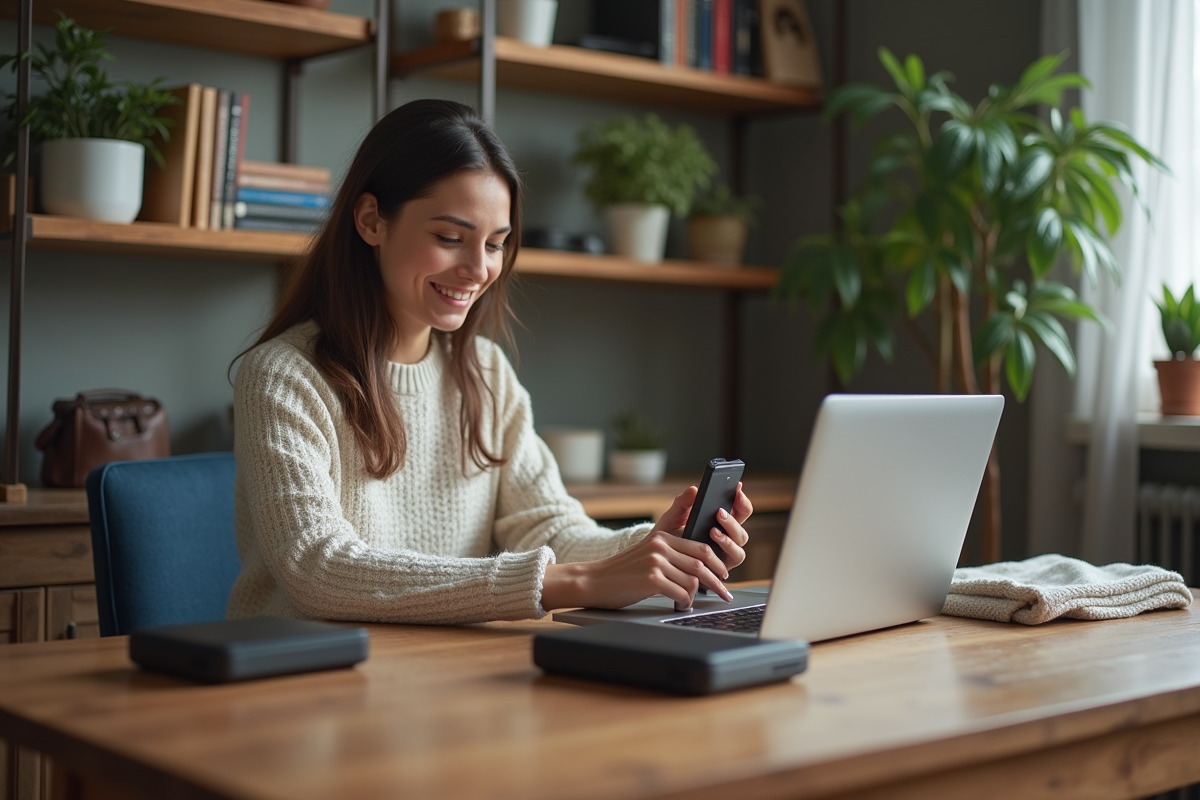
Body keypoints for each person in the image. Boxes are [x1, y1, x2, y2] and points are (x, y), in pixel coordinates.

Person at [227, 99, 754, 625]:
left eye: (496, 245)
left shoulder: (485, 370)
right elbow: (318, 570)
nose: (478, 270)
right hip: (305, 683)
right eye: (450, 238)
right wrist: (568, 582)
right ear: (371, 221)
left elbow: (547, 529)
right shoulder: (282, 377)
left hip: (439, 675)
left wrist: (659, 547)